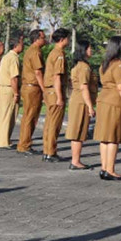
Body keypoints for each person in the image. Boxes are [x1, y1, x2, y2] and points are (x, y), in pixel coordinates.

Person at [96, 36, 121, 180]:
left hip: (103, 100)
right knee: (113, 137)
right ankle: (110, 169)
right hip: (115, 102)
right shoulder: (118, 65)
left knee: (104, 136)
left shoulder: (104, 64)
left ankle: (104, 167)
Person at [65, 38, 97, 170]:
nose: (91, 50)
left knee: (78, 131)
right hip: (81, 102)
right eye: (89, 48)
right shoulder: (83, 67)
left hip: (77, 100)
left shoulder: (79, 65)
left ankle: (76, 160)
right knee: (78, 132)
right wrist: (90, 106)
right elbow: (84, 87)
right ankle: (75, 161)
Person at [41, 29, 70, 162]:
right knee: (54, 123)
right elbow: (57, 77)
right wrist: (60, 96)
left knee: (49, 122)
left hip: (49, 91)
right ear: (62, 39)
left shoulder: (53, 52)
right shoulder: (59, 54)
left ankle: (47, 150)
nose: (68, 41)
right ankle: (51, 152)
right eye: (67, 38)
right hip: (55, 90)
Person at [17, 28, 47, 155]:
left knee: (28, 116)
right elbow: (38, 72)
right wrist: (44, 89)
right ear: (37, 39)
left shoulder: (31, 50)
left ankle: (24, 143)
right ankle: (24, 145)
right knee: (30, 117)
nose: (45, 40)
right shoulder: (35, 52)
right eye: (43, 37)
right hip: (33, 87)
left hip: (28, 86)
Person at [0, 33, 23, 149]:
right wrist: (16, 92)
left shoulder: (6, 57)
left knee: (4, 114)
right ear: (16, 45)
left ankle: (3, 140)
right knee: (8, 115)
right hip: (9, 88)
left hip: (3, 87)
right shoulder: (13, 58)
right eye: (22, 44)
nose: (23, 47)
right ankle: (3, 142)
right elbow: (14, 77)